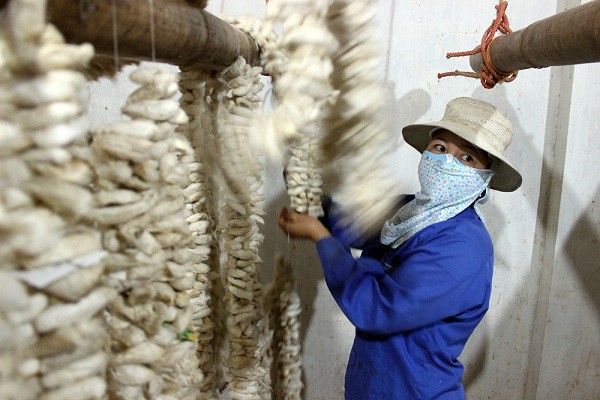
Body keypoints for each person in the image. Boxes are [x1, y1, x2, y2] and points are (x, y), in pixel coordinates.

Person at [277, 97, 522, 399]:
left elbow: (379, 309)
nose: (447, 161)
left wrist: (320, 237)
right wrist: (307, 186)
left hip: (414, 390)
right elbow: (353, 226)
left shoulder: (463, 247)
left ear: (483, 179)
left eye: (467, 158)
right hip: (373, 385)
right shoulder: (412, 210)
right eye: (440, 148)